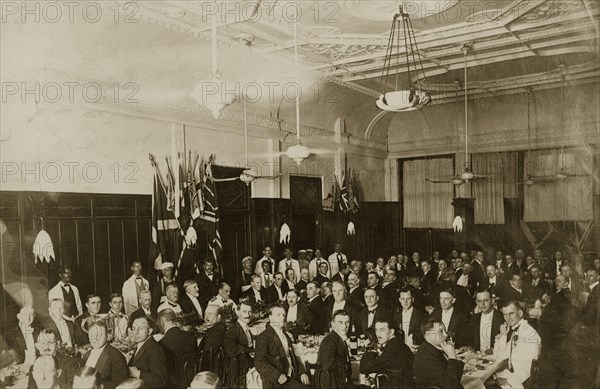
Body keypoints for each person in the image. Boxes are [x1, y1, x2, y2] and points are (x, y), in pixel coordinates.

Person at [254, 305, 309, 388]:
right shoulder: (263, 337)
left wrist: (302, 373)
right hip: (278, 381)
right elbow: (259, 362)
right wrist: (277, 376)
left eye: (283, 315)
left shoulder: (285, 335)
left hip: (292, 376)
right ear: (270, 317)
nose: (282, 318)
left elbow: (293, 357)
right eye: (278, 315)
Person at [493, 301, 541, 388]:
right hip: (514, 376)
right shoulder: (517, 330)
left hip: (522, 383)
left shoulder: (528, 333)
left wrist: (508, 381)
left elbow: (527, 368)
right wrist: (503, 335)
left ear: (520, 313)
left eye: (511, 313)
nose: (508, 318)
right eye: (505, 314)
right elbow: (501, 355)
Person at [359, 319, 415, 389]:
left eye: (382, 330)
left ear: (391, 332)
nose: (378, 334)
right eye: (376, 330)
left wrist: (371, 349)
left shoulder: (393, 348)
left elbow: (363, 368)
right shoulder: (398, 344)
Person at [413, 317, 464, 389]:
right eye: (440, 332)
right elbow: (451, 386)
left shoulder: (431, 349)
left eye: (445, 331)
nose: (446, 335)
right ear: (428, 334)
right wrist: (452, 356)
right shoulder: (426, 357)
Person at [156, 309, 197, 389]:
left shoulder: (162, 344)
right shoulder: (191, 336)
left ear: (162, 322)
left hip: (175, 383)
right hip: (193, 376)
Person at [82, 321, 127, 389]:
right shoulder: (86, 355)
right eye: (92, 335)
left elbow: (120, 384)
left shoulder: (116, 356)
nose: (95, 338)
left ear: (107, 335)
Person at [316, 310, 353, 389]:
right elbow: (327, 364)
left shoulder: (339, 338)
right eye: (340, 322)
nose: (345, 326)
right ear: (332, 324)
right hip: (332, 385)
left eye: (347, 322)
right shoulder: (329, 341)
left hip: (340, 383)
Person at [128, 317, 167, 389]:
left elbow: (161, 380)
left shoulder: (155, 349)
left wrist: (138, 373)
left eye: (141, 328)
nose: (136, 332)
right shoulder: (143, 343)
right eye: (134, 328)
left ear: (149, 331)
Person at [223, 301, 255, 388]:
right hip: (239, 369)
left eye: (250, 311)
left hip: (247, 363)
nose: (248, 315)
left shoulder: (245, 326)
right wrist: (250, 350)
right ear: (238, 312)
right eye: (244, 312)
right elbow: (230, 348)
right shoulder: (233, 329)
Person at [465, 289, 503, 353]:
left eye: (486, 300)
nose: (482, 304)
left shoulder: (501, 317)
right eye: (479, 301)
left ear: (492, 301)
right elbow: (469, 341)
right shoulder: (474, 318)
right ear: (476, 302)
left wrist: (494, 350)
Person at [199, 305, 226, 371]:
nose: (206, 317)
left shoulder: (215, 334)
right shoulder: (220, 328)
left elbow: (205, 358)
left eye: (210, 314)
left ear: (218, 317)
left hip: (211, 371)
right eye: (205, 314)